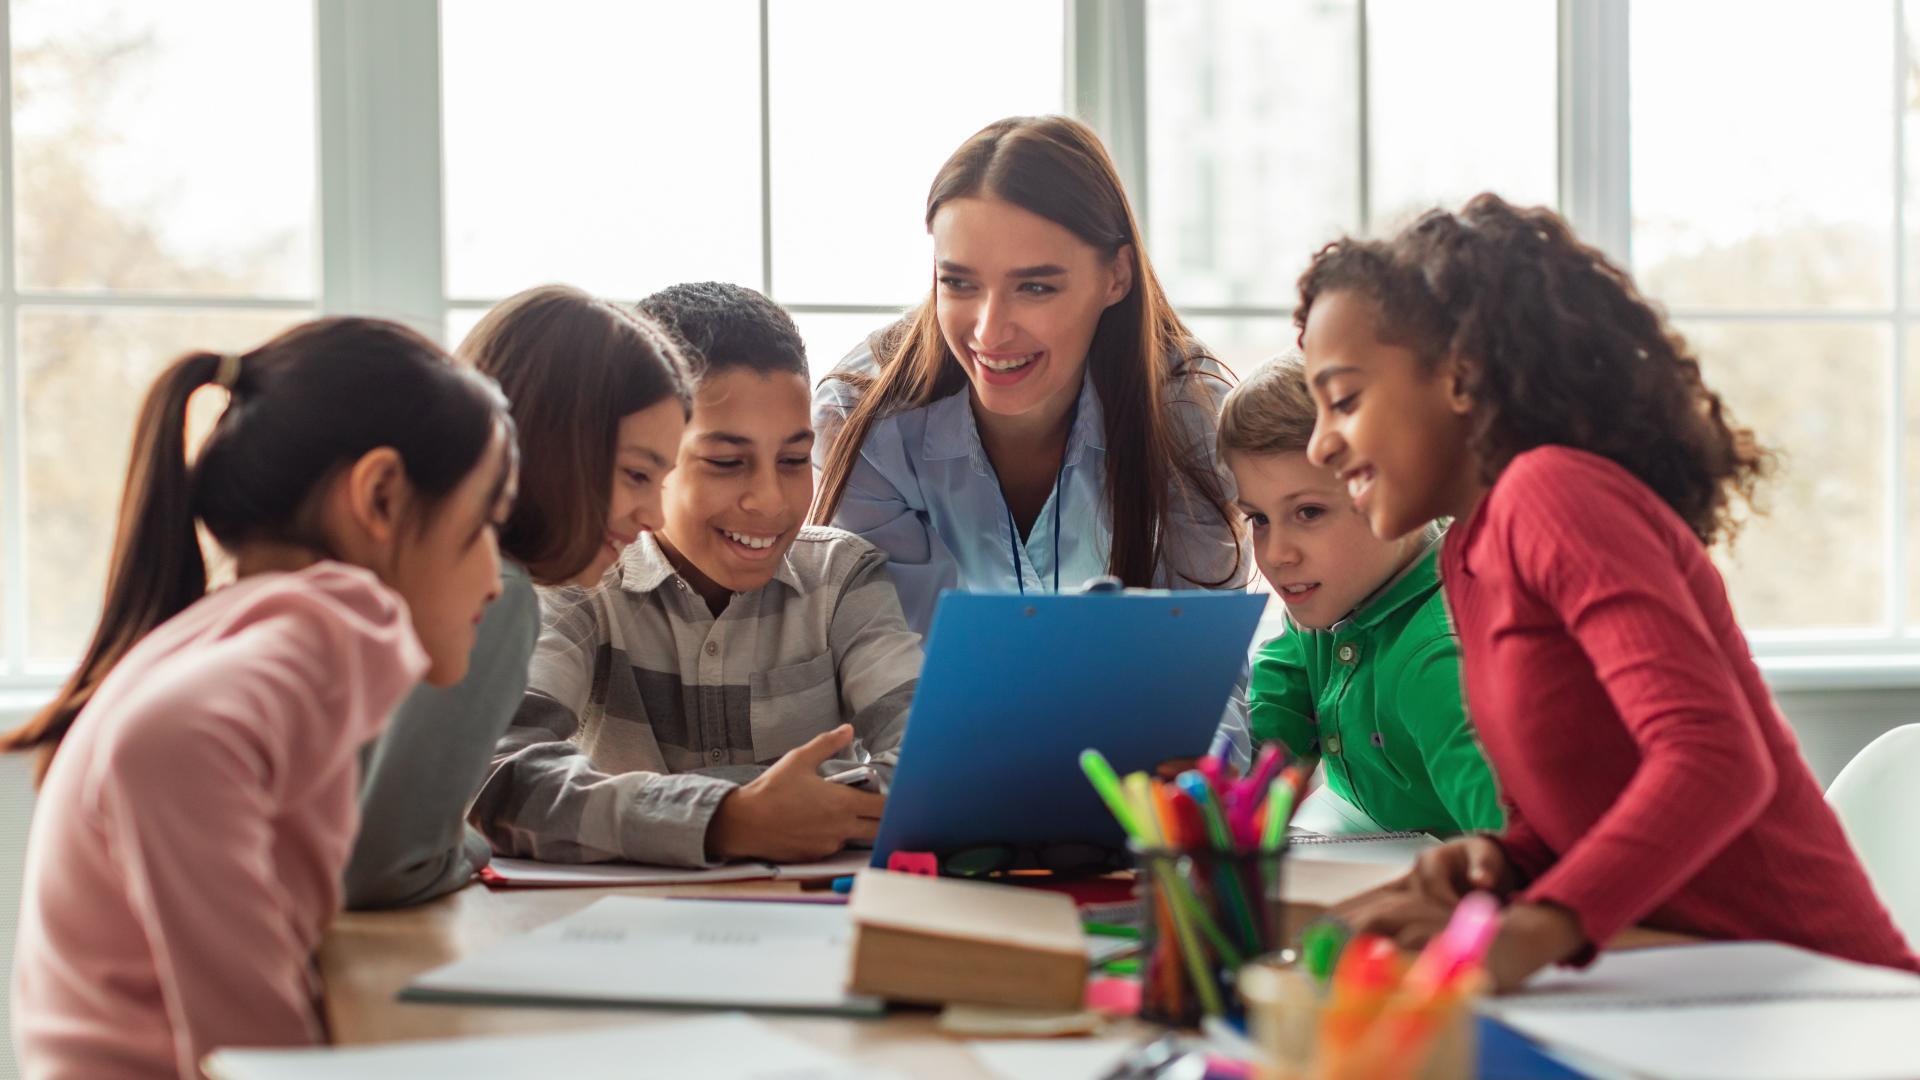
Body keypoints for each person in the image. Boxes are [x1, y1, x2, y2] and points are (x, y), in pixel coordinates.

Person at [1300, 194, 1919, 985]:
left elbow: (1714, 759)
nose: (1322, 442)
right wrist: (1501, 864)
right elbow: (1572, 818)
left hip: (1821, 994)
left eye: (1345, 399)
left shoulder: (1553, 496)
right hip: (1690, 986)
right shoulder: (1468, 555)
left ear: (1459, 375)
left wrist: (1538, 929)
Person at [7, 318, 515, 1077]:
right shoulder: (310, 635)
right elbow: (166, 742)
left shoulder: (246, 626)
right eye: (484, 525)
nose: (495, 578)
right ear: (378, 498)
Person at [811, 114, 1251, 759]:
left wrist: (1191, 769)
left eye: (1035, 286)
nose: (989, 331)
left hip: (1135, 783)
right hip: (950, 768)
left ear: (1116, 277)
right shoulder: (866, 417)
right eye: (958, 282)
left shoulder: (1188, 418)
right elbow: (893, 678)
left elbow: (1206, 681)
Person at [473, 282, 921, 867]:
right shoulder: (580, 581)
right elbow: (500, 779)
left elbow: (926, 772)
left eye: (792, 460)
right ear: (654, 454)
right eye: (727, 463)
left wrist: (673, 812)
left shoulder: (843, 577)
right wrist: (728, 819)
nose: (769, 501)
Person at [345, 285, 692, 908]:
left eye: (664, 482)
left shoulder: (398, 566)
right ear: (551, 445)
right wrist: (472, 843)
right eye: (636, 475)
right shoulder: (491, 595)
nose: (655, 516)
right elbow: (388, 866)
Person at [1221, 354, 1500, 836]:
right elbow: (1278, 711)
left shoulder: (1436, 661)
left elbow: (1515, 847)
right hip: (1364, 838)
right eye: (1259, 519)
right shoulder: (1330, 603)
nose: (1277, 554)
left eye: (1308, 512)